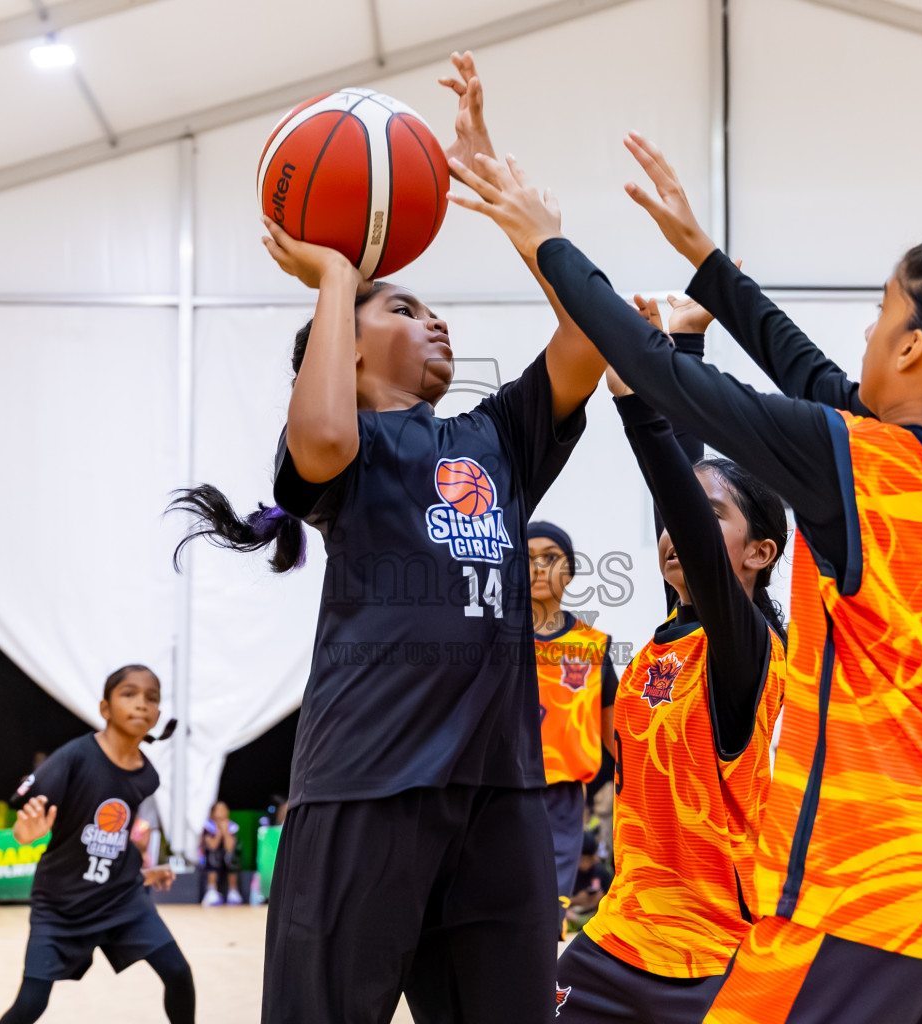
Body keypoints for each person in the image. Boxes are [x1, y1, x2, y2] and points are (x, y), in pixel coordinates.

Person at [462, 138, 922, 1024]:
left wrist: (545, 243)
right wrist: (706, 260)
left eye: (881, 314)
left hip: (869, 897)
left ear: (914, 349)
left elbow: (662, 373)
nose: (867, 333)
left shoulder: (859, 462)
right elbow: (812, 375)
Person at [169, 53, 605, 1024]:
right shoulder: (346, 447)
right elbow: (323, 434)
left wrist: (529, 225)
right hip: (366, 780)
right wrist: (335, 274)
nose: (434, 318)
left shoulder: (496, 438)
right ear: (349, 349)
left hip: (499, 793)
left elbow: (588, 341)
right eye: (402, 308)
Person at [551, 340, 790, 1022]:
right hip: (622, 931)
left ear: (759, 552)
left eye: (708, 515)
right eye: (675, 518)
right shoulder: (674, 632)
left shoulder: (745, 648)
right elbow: (680, 495)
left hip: (710, 953)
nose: (674, 529)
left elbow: (683, 509)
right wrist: (680, 347)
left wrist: (638, 403)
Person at [0, 664, 190, 1024]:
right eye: (129, 694)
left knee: (179, 974)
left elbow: (116, 840)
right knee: (30, 1004)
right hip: (61, 905)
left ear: (158, 714)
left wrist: (144, 872)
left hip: (120, 899)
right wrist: (27, 832)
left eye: (152, 698)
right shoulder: (73, 757)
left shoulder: (147, 776)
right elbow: (24, 827)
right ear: (105, 708)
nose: (142, 704)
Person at [530, 519, 616, 929]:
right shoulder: (491, 639)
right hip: (494, 791)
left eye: (550, 557)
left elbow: (616, 735)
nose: (537, 567)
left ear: (570, 571)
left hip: (562, 798)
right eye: (526, 558)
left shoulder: (592, 647)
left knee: (549, 908)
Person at [566, 832, 611, 929]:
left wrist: (601, 899)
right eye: (582, 860)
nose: (586, 864)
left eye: (590, 859)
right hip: (571, 919)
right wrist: (574, 900)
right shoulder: (567, 874)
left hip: (596, 920)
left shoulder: (600, 872)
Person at [201, 801, 241, 907]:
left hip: (226, 860)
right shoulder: (208, 826)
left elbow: (230, 847)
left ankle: (233, 891)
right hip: (213, 859)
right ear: (213, 812)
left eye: (224, 809)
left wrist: (225, 832)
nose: (222, 812)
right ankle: (211, 890)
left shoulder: (232, 826)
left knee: (232, 857)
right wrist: (219, 833)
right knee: (212, 855)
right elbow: (212, 845)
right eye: (219, 809)